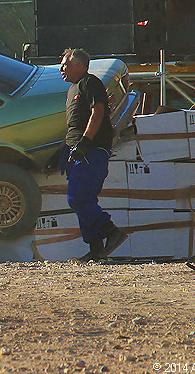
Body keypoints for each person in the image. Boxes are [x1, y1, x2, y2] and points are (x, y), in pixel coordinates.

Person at [54, 48, 128, 262]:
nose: (61, 68)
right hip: (76, 152)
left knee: (78, 198)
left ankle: (112, 231)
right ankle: (95, 249)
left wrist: (85, 144)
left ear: (79, 65)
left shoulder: (90, 83)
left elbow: (98, 112)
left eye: (65, 64)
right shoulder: (72, 90)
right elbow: (73, 126)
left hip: (92, 150)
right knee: (84, 199)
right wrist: (58, 155)